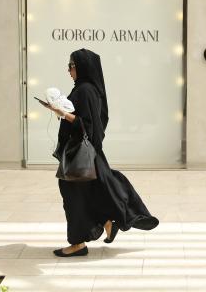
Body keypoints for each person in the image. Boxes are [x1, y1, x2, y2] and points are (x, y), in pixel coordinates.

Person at [45, 48, 159, 257]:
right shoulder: (85, 89)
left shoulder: (86, 90)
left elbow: (89, 127)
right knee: (90, 193)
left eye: (71, 66)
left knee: (74, 198)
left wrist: (62, 113)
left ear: (82, 67)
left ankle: (78, 244)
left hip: (81, 155)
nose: (68, 70)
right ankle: (107, 223)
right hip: (86, 155)